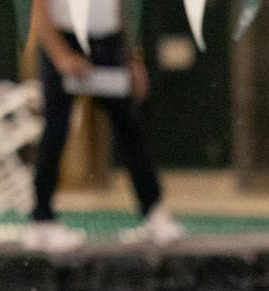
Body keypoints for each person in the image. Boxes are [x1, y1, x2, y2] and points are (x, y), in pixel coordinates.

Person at [25, 0, 182, 253]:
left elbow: (121, 8)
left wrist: (132, 58)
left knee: (129, 127)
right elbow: (38, 8)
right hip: (64, 39)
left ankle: (153, 211)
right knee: (55, 130)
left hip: (108, 43)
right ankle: (41, 220)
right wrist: (61, 55)